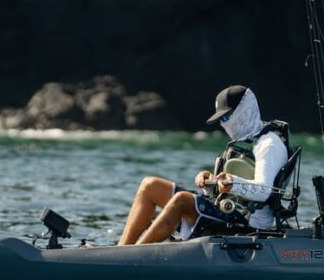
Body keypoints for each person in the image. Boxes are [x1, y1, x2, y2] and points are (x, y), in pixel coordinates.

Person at [117, 85, 289, 245]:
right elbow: (228, 189)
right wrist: (210, 183)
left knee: (182, 200)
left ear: (243, 111)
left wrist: (231, 182)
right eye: (221, 119)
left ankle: (132, 258)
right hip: (226, 211)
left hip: (247, 223)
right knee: (150, 185)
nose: (224, 123)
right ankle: (120, 252)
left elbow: (265, 191)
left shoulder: (268, 144)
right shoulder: (245, 140)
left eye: (226, 116)